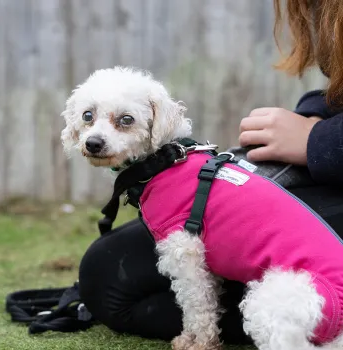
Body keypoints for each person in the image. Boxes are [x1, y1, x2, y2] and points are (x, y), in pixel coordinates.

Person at [78, 0, 343, 345]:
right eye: (87, 118)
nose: (97, 134)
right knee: (108, 269)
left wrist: (319, 141)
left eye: (124, 121)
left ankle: (267, 324)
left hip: (317, 280)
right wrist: (317, 115)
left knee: (118, 279)